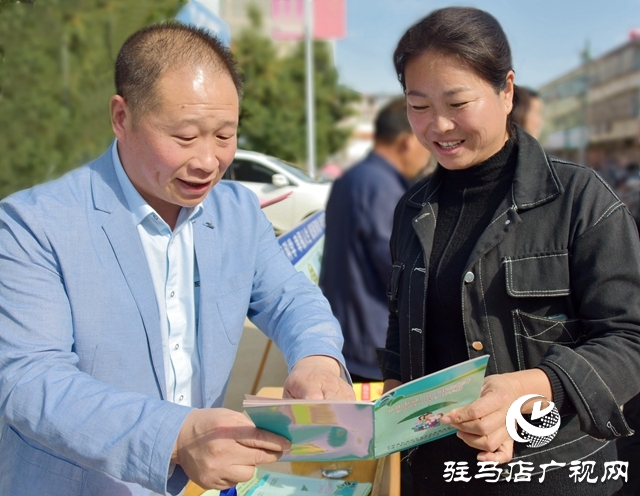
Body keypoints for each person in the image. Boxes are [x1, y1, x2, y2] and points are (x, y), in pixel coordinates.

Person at [0, 22, 354, 496]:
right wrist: (175, 435)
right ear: (121, 117)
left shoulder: (238, 212)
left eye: (225, 136)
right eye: (185, 137)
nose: (208, 161)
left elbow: (288, 296)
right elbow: (30, 380)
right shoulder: (33, 223)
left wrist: (316, 358)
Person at [377, 7, 640, 495]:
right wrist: (393, 389)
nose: (438, 125)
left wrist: (535, 385)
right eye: (418, 105)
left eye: (458, 102)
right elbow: (402, 329)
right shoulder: (411, 209)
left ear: (506, 91)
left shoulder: (581, 200)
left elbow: (631, 339)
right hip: (434, 475)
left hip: (549, 473)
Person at [320, 97, 430, 383]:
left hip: (349, 330)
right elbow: (397, 269)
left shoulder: (355, 177)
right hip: (371, 339)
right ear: (407, 142)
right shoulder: (382, 188)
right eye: (426, 144)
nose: (429, 155)